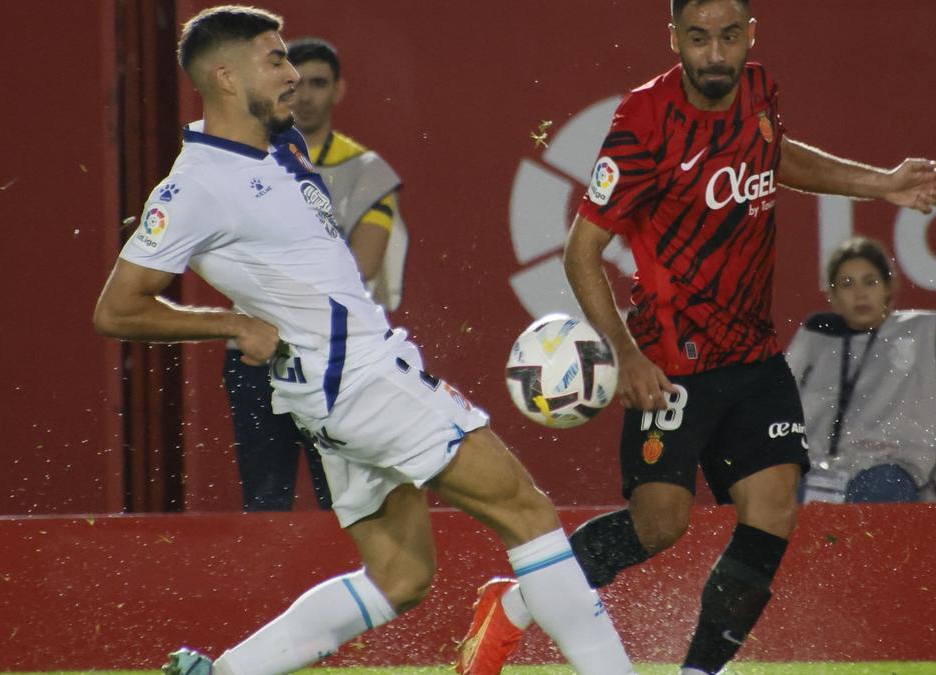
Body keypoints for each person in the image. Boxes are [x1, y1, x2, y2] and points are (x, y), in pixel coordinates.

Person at [92, 6, 634, 674]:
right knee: (527, 511)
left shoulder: (277, 144)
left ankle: (223, 672)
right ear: (225, 77)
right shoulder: (198, 184)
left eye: (289, 57)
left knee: (399, 577)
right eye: (275, 60)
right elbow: (118, 308)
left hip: (336, 387)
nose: (293, 75)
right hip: (361, 380)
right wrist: (231, 322)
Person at [453, 1, 936, 674]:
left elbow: (774, 155)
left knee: (774, 508)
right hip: (668, 360)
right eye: (698, 39)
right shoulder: (642, 120)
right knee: (660, 524)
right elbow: (581, 250)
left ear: (750, 32)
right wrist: (624, 356)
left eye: (728, 36)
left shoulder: (758, 88)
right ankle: (514, 604)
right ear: (675, 40)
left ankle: (697, 672)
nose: (715, 53)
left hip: (752, 354)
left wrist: (881, 184)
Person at [221, 36, 407, 512]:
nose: (304, 96)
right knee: (264, 501)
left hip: (338, 357)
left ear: (339, 90)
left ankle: (347, 586)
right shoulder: (242, 159)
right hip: (258, 355)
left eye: (318, 84)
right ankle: (274, 590)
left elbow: (362, 265)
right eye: (296, 83)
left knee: (345, 503)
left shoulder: (368, 171)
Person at [786, 237, 936, 504]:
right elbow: (778, 407)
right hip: (818, 470)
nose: (860, 293)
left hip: (890, 467)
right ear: (831, 295)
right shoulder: (816, 335)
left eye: (870, 282)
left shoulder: (918, 334)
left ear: (888, 289)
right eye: (847, 284)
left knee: (880, 489)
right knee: (778, 497)